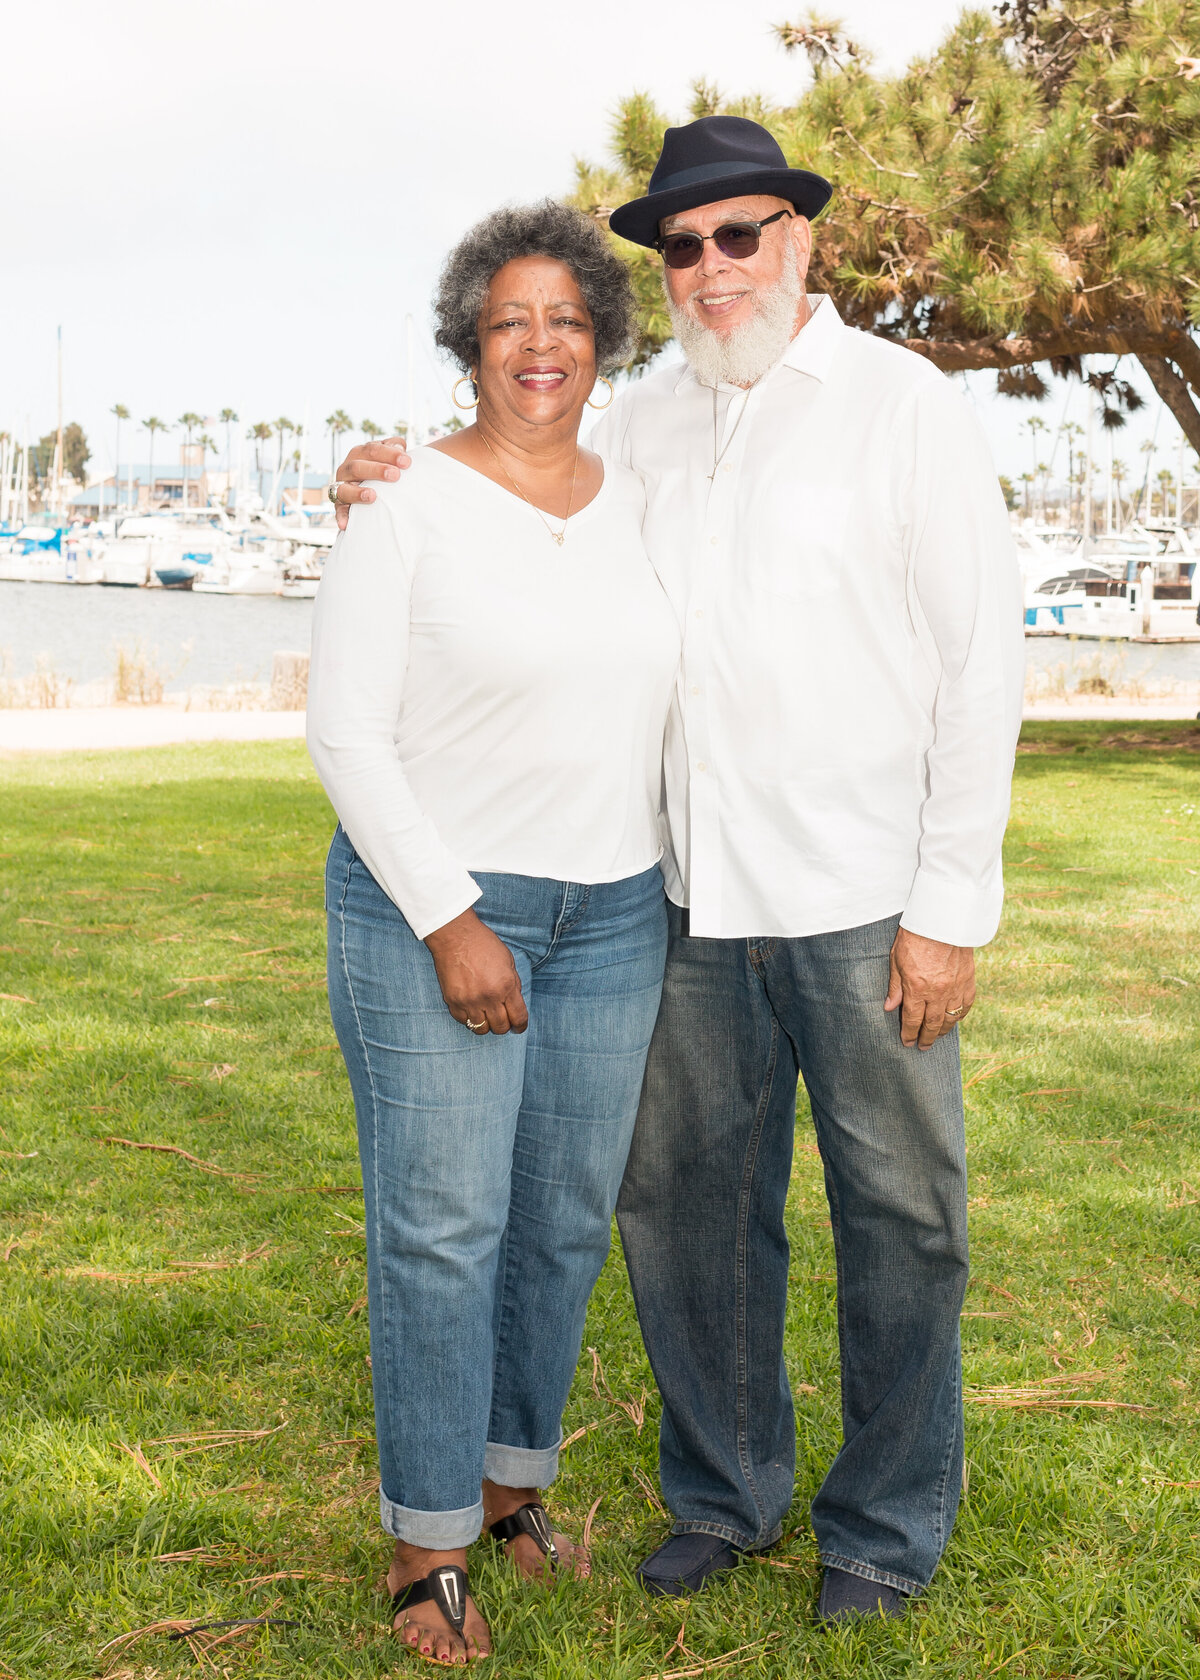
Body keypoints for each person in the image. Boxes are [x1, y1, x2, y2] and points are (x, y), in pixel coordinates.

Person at [332, 115, 1025, 1625]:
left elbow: (983, 672)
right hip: (687, 901)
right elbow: (508, 498)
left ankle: (884, 1529)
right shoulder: (641, 415)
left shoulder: (903, 410)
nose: (713, 269)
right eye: (684, 244)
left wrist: (950, 909)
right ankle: (725, 1497)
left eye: (742, 233)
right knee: (691, 1219)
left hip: (863, 899)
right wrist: (373, 473)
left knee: (903, 1218)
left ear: (803, 242)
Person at [308, 199, 680, 1666]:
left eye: (569, 320)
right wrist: (454, 918)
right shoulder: (402, 504)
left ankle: (514, 1494)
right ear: (471, 340)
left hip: (616, 913)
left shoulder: (642, 497)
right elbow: (345, 729)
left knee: (562, 1227)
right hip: (440, 906)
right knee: (445, 1232)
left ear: (603, 344)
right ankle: (426, 1547)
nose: (541, 345)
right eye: (512, 319)